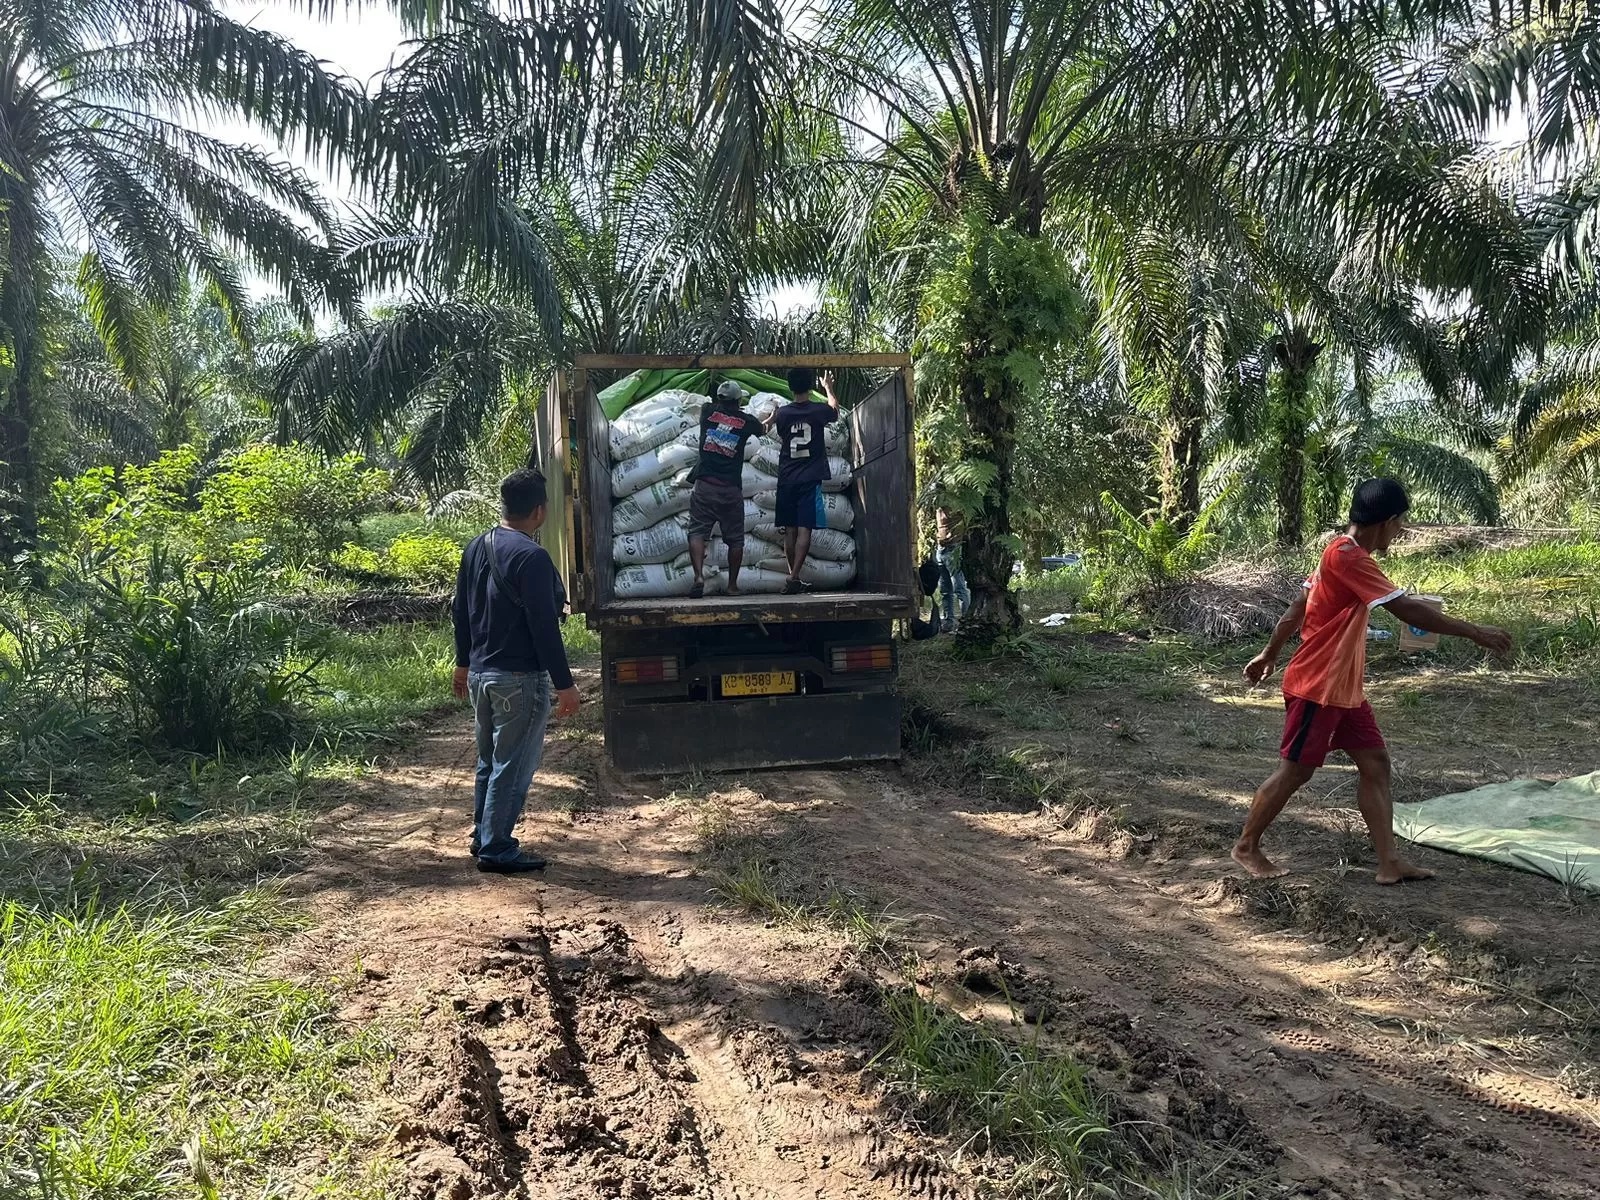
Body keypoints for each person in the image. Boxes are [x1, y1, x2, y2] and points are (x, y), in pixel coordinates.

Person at [1234, 478, 1511, 885]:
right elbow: (1407, 610)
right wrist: (1474, 632)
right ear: (1387, 521)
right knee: (1295, 772)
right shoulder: (1349, 558)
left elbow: (1298, 605)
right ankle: (1246, 846)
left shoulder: (1337, 551)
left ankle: (1389, 864)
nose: (1399, 533)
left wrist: (1270, 653)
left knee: (1376, 763)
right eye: (1400, 524)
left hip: (1342, 688)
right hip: (1317, 685)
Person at [451, 468, 582, 875]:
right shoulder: (532, 556)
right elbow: (544, 628)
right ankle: (497, 847)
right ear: (539, 511)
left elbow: (460, 609)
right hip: (519, 679)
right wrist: (566, 684)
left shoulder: (476, 546)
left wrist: (462, 661)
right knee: (513, 764)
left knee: (490, 760)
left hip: (482, 675)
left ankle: (483, 833)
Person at [687, 380, 765, 598]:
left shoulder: (706, 411)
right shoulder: (746, 421)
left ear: (719, 399)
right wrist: (772, 418)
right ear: (739, 401)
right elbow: (763, 430)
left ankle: (698, 577)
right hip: (730, 490)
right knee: (735, 539)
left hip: (704, 487)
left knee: (697, 531)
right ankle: (732, 586)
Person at [774, 367, 841, 595]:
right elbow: (835, 410)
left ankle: (793, 576)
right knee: (805, 529)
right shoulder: (818, 411)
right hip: (810, 478)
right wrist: (829, 388)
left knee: (789, 528)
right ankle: (794, 576)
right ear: (811, 386)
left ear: (790, 387)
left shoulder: (782, 414)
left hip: (787, 478)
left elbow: (783, 433)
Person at [935, 506, 970, 632]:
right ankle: (948, 622)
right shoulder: (938, 505)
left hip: (954, 548)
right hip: (941, 548)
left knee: (959, 588)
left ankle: (966, 622)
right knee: (945, 590)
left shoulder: (957, 501)